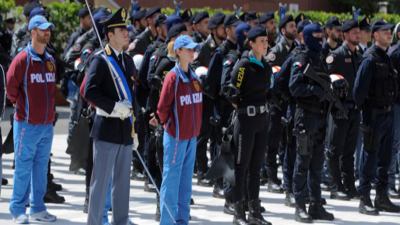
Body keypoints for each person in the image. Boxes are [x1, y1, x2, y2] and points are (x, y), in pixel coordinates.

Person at [83, 8, 136, 225]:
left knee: (122, 185)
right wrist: (114, 107)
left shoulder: (127, 61)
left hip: (124, 132)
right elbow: (89, 91)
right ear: (109, 34)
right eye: (121, 29)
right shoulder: (101, 60)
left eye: (126, 29)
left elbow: (133, 98)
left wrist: (136, 129)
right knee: (101, 184)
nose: (126, 33)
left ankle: (120, 222)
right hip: (106, 130)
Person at [7, 15, 57, 224]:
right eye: (43, 29)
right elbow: (10, 89)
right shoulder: (22, 60)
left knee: (41, 168)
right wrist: (24, 109)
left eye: (49, 30)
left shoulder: (50, 60)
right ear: (32, 32)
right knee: (23, 168)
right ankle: (17, 209)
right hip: (27, 125)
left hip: (47, 126)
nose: (47, 33)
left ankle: (38, 208)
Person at [150, 34, 202, 225]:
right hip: (176, 137)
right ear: (179, 51)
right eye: (188, 49)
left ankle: (181, 220)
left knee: (185, 184)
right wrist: (165, 123)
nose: (192, 52)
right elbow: (163, 107)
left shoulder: (194, 76)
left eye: (193, 48)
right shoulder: (173, 77)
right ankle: (167, 221)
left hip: (191, 138)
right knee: (171, 183)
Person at [353, 20, 400, 215]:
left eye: (390, 31)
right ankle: (364, 198)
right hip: (373, 116)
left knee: (385, 158)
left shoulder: (386, 57)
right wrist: (367, 114)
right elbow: (358, 92)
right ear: (375, 35)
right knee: (370, 158)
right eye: (385, 31)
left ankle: (381, 197)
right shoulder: (370, 59)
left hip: (388, 113)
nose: (389, 34)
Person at [289, 23, 334, 223]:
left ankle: (315, 204)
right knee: (303, 163)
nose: (320, 38)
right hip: (305, 117)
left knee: (316, 164)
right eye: (315, 36)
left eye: (320, 35)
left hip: (321, 117)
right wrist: (315, 91)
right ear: (307, 37)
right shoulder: (302, 57)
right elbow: (294, 87)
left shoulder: (320, 57)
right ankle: (300, 205)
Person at [227, 26, 272, 225]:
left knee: (255, 168)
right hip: (246, 121)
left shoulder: (266, 66)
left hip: (262, 121)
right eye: (261, 41)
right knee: (241, 167)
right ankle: (238, 213)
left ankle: (254, 212)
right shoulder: (244, 65)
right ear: (251, 43)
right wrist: (244, 110)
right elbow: (231, 93)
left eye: (266, 40)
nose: (265, 44)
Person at [325, 19, 362, 201]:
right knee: (334, 149)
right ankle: (335, 185)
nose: (358, 35)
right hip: (339, 109)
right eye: (354, 32)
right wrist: (335, 105)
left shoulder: (358, 55)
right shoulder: (336, 55)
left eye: (358, 32)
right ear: (346, 34)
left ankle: (348, 185)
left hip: (354, 109)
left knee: (349, 151)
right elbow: (327, 81)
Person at [265, 14, 297, 193]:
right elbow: (269, 78)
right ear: (284, 30)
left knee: (288, 142)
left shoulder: (298, 49)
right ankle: (271, 177)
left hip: (291, 103)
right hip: (277, 104)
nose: (295, 29)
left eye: (295, 26)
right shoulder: (276, 51)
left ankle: (287, 177)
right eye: (291, 26)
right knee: (273, 141)